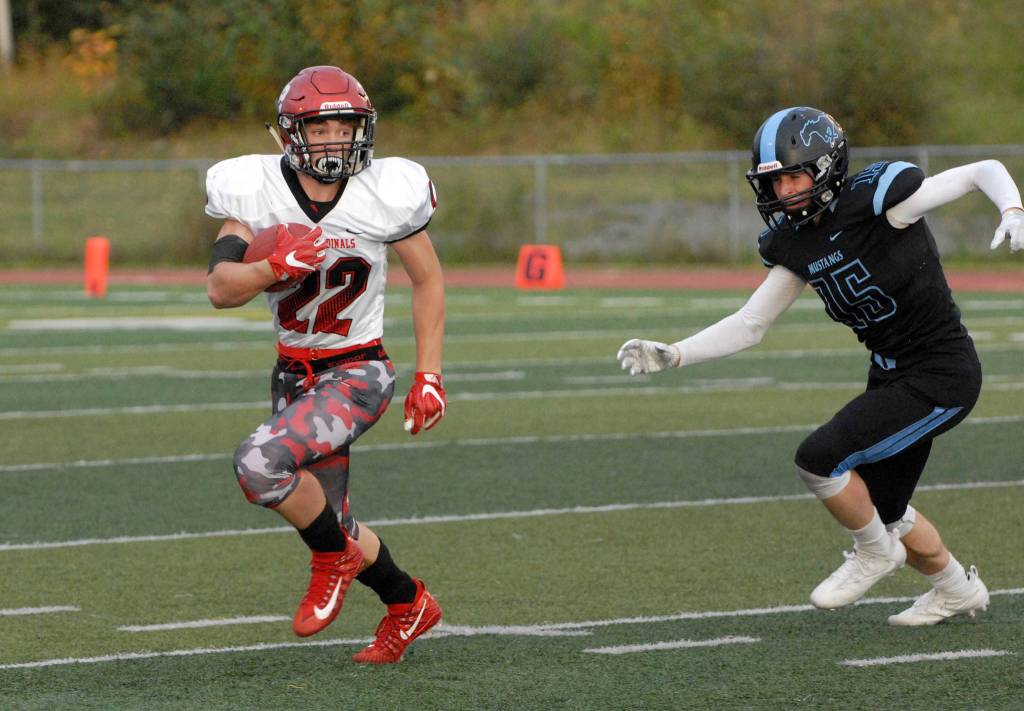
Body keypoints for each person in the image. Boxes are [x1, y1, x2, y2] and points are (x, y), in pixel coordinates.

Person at [617, 106, 1024, 626]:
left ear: (827, 167)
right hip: (891, 372)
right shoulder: (793, 242)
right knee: (887, 508)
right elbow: (750, 323)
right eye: (774, 181)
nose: (784, 191)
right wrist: (675, 353)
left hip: (942, 373)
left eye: (793, 175)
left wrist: (1011, 209)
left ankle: (875, 554)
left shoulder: (879, 205)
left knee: (819, 458)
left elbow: (979, 170)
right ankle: (956, 588)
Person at [205, 65, 447, 662]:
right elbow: (220, 287)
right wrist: (272, 265)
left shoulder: (383, 192)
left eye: (347, 123)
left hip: (360, 372)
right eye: (322, 125)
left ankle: (330, 558)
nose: (337, 137)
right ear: (291, 133)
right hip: (294, 373)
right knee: (331, 517)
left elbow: (429, 278)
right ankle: (409, 602)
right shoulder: (255, 194)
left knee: (259, 465)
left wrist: (430, 375)